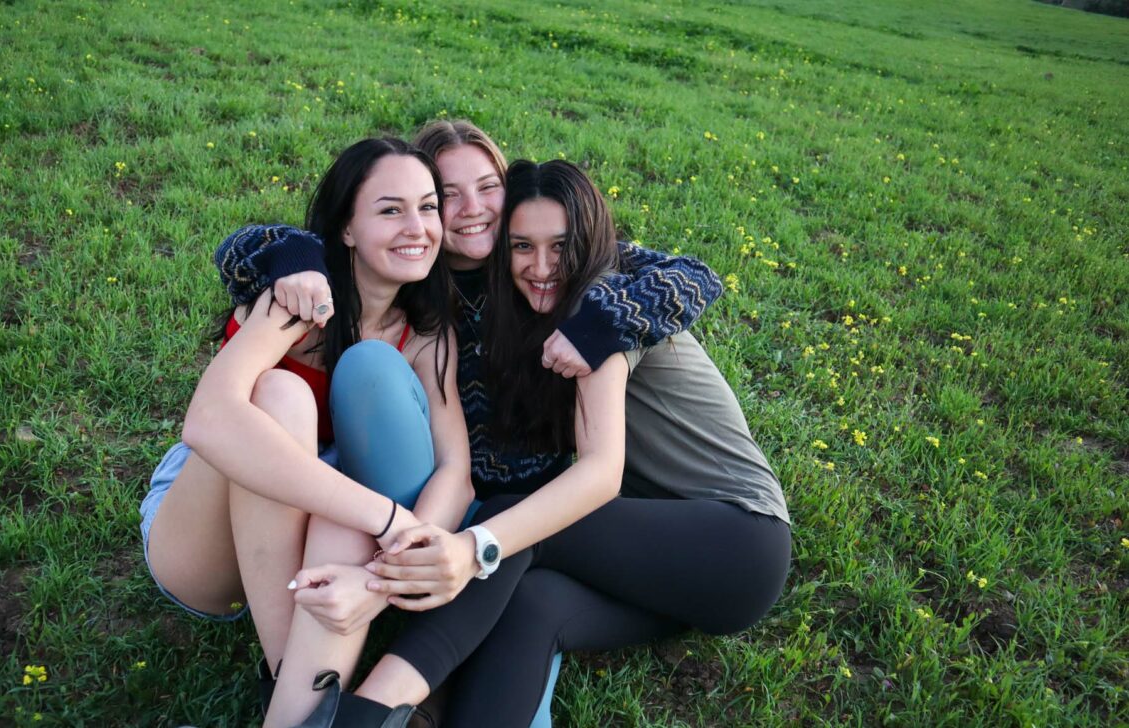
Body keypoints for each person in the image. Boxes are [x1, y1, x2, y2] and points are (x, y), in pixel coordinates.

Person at [258, 119, 726, 725]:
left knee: (522, 592)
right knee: (375, 376)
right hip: (431, 483)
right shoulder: (413, 269)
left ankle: (407, 700)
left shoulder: (551, 264)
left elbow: (691, 275)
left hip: (524, 512)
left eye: (489, 186)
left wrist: (598, 328)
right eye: (448, 195)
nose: (473, 209)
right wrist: (294, 256)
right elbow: (261, 244)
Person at [341, 159, 791, 726]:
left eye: (560, 246)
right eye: (522, 246)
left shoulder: (606, 308)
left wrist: (471, 545)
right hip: (666, 566)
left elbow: (601, 473)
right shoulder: (534, 314)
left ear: (590, 241)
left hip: (736, 540)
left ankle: (366, 710)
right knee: (535, 602)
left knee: (514, 526)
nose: (542, 267)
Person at [137, 137, 473, 727]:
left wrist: (384, 571)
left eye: (427, 207)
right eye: (390, 210)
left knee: (344, 516)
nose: (417, 227)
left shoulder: (423, 332)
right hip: (203, 533)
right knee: (280, 395)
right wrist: (389, 521)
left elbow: (456, 473)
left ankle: (291, 712)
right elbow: (208, 423)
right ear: (345, 229)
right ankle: (291, 671)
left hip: (316, 535)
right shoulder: (294, 299)